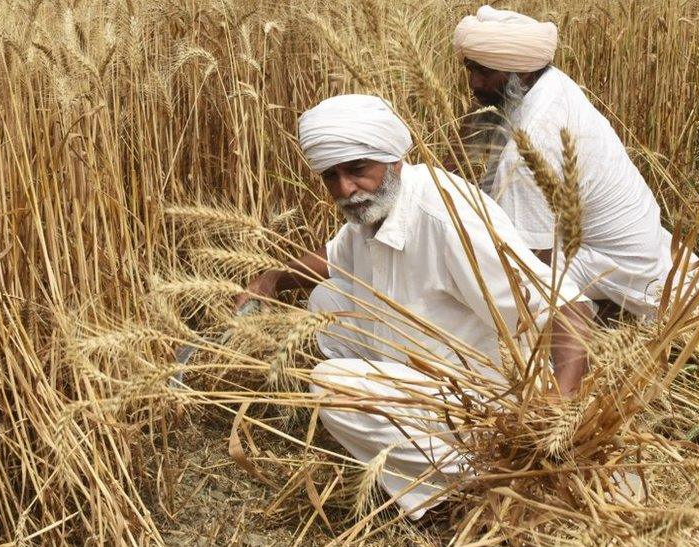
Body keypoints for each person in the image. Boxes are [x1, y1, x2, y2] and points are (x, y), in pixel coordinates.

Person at [237, 94, 593, 518]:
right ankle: (407, 434)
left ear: (393, 159)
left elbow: (565, 304)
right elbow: (333, 260)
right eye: (331, 176)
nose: (345, 189)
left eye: (357, 170)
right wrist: (272, 279)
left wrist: (556, 407)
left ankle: (465, 478)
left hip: (476, 395)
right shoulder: (375, 207)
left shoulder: (446, 219)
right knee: (325, 302)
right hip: (419, 360)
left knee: (330, 385)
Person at [453, 6, 699, 319]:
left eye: (485, 73)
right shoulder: (551, 83)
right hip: (638, 245)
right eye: (470, 70)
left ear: (523, 71)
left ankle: (587, 314)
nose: (473, 83)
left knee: (481, 268)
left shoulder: (532, 146)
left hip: (625, 272)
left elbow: (533, 261)